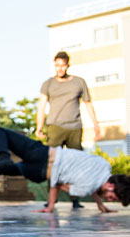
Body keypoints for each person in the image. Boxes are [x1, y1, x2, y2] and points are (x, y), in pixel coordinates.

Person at [0, 127, 130, 213]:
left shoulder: (104, 165)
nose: (110, 200)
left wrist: (100, 204)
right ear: (112, 186)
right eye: (112, 197)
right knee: (18, 169)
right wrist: (50, 206)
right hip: (40, 172)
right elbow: (58, 184)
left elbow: (97, 184)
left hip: (43, 153)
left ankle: (3, 155)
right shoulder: (85, 189)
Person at [36, 51, 100, 208]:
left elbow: (88, 104)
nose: (60, 69)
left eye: (62, 65)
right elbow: (42, 106)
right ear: (54, 65)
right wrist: (39, 127)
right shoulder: (48, 84)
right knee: (52, 163)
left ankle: (75, 200)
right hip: (55, 127)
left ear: (67, 65)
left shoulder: (79, 82)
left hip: (75, 127)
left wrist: (96, 125)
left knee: (76, 164)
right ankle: (52, 200)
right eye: (57, 65)